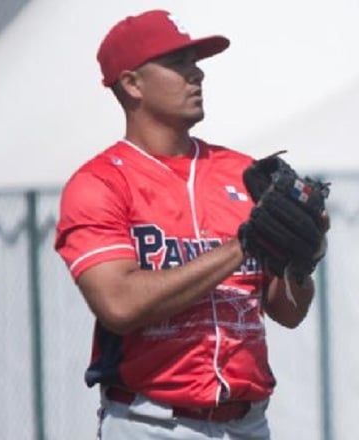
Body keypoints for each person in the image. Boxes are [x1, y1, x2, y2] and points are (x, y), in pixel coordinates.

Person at [54, 9, 323, 439]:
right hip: (152, 422)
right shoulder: (100, 183)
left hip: (248, 423)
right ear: (132, 83)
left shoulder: (244, 174)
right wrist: (242, 245)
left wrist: (303, 260)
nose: (195, 73)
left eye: (195, 61)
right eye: (177, 62)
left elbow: (287, 311)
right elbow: (119, 305)